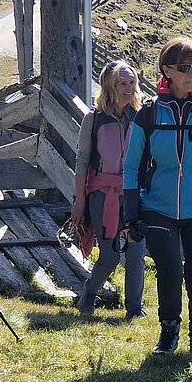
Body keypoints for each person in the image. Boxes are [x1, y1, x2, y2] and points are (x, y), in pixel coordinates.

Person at [123, 36, 192, 359]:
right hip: (157, 208)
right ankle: (169, 331)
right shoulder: (148, 115)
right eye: (185, 68)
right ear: (166, 71)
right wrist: (131, 216)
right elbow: (131, 168)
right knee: (170, 271)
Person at [71, 59, 145, 319]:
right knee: (111, 256)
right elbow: (81, 161)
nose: (128, 88)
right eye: (122, 83)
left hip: (133, 194)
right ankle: (89, 294)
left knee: (136, 252)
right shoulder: (94, 119)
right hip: (102, 194)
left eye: (131, 83)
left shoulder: (141, 118)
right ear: (110, 87)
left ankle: (134, 310)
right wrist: (80, 201)